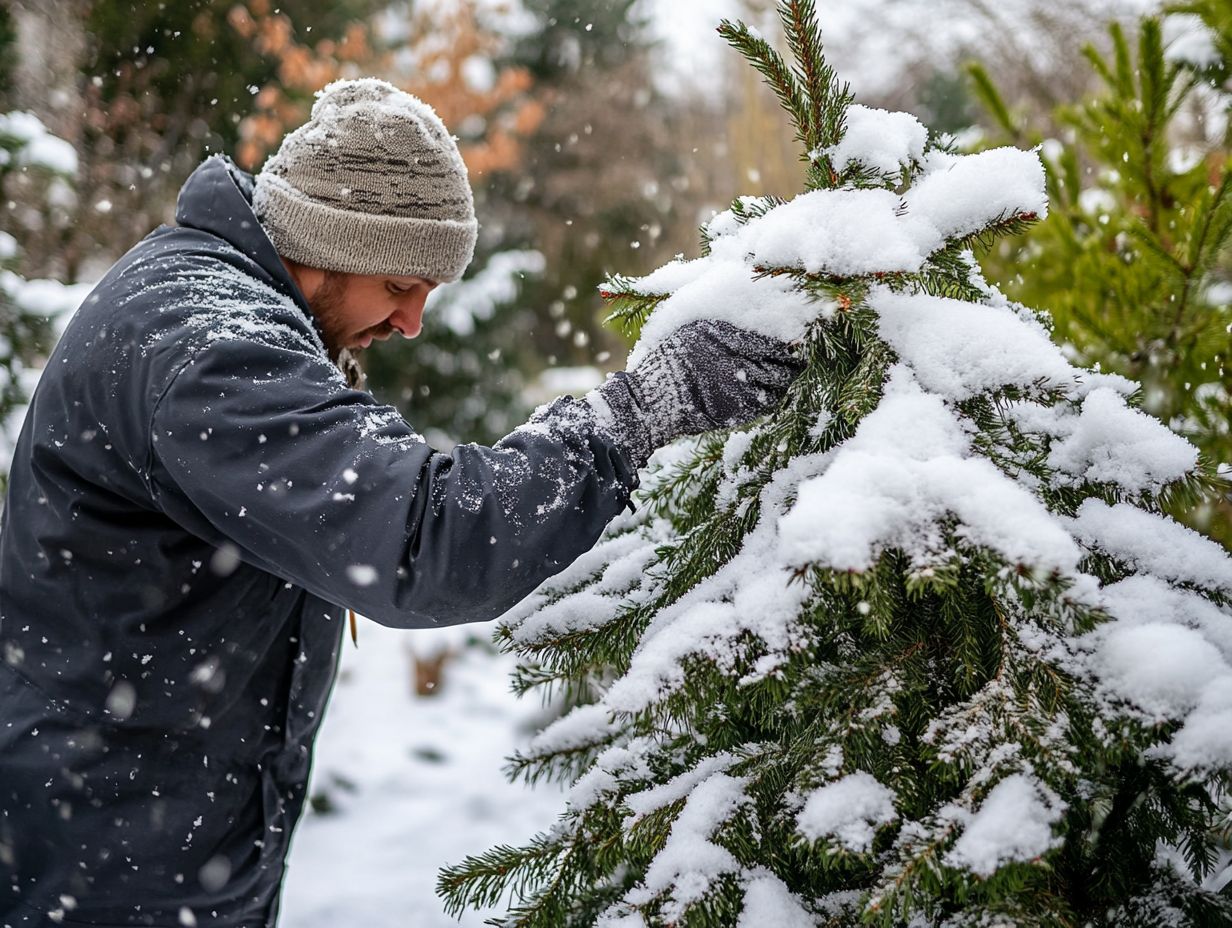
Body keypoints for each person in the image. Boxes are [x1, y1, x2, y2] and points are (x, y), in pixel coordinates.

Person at [0, 79, 800, 927]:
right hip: (108, 853)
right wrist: (641, 412)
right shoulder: (210, 348)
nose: (413, 320)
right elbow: (421, 539)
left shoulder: (211, 300)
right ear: (325, 241)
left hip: (145, 823)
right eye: (400, 282)